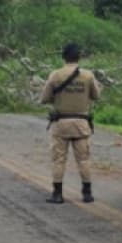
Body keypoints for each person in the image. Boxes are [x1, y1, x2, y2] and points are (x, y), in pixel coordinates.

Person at [40, 42, 101, 203]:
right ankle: (87, 193)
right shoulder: (88, 75)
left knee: (59, 159)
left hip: (61, 123)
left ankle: (57, 194)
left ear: (63, 57)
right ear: (79, 57)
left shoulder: (55, 75)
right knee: (83, 159)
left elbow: (44, 98)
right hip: (81, 123)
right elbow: (96, 96)